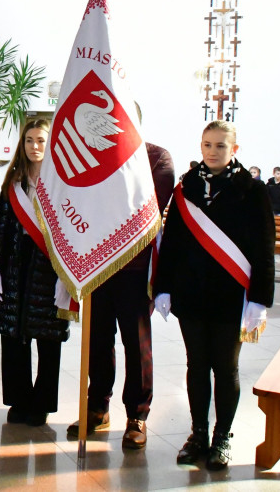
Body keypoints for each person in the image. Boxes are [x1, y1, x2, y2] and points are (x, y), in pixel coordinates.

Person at [153, 120, 275, 470]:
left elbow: (265, 248)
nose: (212, 151)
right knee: (196, 366)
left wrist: (259, 299)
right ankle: (199, 434)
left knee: (225, 367)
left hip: (231, 297)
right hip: (191, 295)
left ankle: (222, 437)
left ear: (234, 149)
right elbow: (172, 242)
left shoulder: (252, 190)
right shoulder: (186, 189)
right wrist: (163, 286)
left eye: (220, 145)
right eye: (207, 144)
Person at [67, 135, 175, 448]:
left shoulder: (158, 158)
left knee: (136, 343)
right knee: (97, 340)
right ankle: (98, 407)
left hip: (135, 268)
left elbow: (147, 204)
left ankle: (137, 415)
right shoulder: (95, 153)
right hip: (97, 265)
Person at [0, 119, 69, 428]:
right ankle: (19, 398)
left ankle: (43, 402)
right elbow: (0, 228)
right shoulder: (13, 181)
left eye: (41, 140)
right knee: (14, 334)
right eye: (29, 140)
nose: (35, 146)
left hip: (48, 265)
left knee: (47, 337)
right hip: (15, 262)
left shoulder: (62, 182)